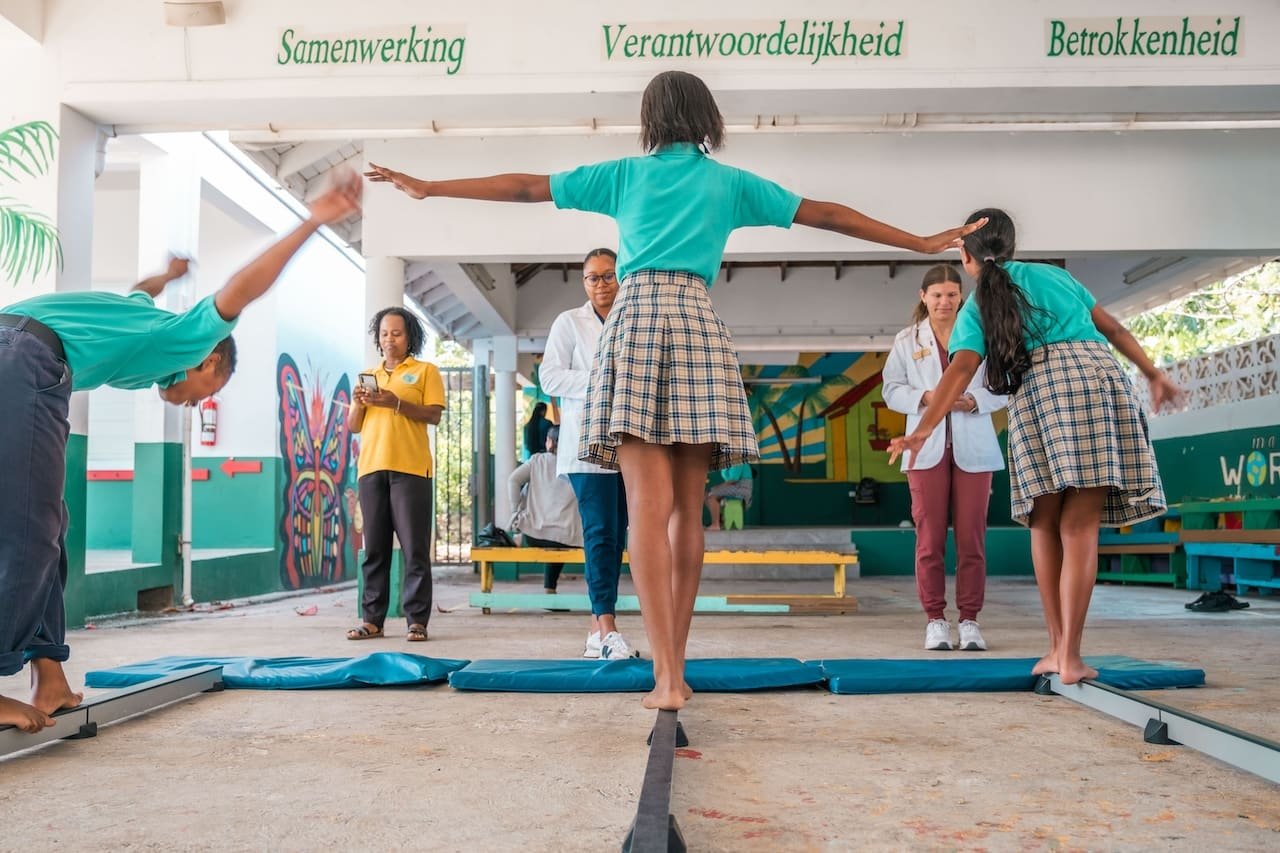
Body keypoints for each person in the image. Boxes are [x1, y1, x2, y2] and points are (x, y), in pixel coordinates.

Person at [366, 70, 983, 710]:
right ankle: (676, 668)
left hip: (634, 326)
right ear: (705, 117)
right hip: (696, 323)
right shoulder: (728, 182)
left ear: (650, 118)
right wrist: (917, 241)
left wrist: (430, 186)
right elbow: (822, 212)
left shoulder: (625, 175)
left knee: (646, 511)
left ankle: (664, 676)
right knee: (689, 510)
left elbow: (525, 185)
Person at [0, 173, 361, 733]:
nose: (192, 406)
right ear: (211, 363)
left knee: (48, 526)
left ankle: (51, 679)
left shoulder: (144, 318)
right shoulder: (190, 338)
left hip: (14, 351)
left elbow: (140, 289)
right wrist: (313, 220)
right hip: (26, 363)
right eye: (206, 395)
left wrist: (166, 275)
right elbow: (242, 289)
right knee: (28, 530)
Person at [889, 209, 1181, 684]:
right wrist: (1153, 374)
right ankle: (1070, 655)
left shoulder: (979, 302)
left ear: (965, 254)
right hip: (1099, 379)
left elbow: (960, 370)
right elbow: (1113, 329)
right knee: (1080, 526)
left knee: (1044, 522)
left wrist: (922, 429)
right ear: (1011, 246)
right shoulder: (1055, 276)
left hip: (1043, 390)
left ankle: (1055, 649)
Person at [883, 265, 1008, 652]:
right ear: (924, 297)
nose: (944, 302)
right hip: (926, 452)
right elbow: (891, 389)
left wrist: (973, 400)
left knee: (972, 540)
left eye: (952, 294)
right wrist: (926, 399)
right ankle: (935, 620)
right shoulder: (907, 340)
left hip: (975, 448)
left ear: (962, 297)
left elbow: (1003, 387)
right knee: (930, 540)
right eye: (936, 295)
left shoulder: (982, 337)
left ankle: (969, 621)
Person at [540, 248, 635, 660]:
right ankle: (607, 624)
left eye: (609, 276)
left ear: (622, 278)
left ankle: (598, 630)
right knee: (598, 533)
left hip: (631, 443)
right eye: (593, 278)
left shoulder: (635, 317)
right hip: (585, 447)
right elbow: (550, 377)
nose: (601, 284)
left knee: (616, 538)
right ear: (584, 283)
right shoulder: (568, 322)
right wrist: (601, 377)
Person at [346, 307, 445, 642]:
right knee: (374, 549)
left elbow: (434, 415)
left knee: (415, 548)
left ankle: (417, 620)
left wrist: (395, 403)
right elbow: (353, 426)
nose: (389, 339)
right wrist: (361, 403)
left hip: (411, 470)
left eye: (397, 333)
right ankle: (372, 619)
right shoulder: (366, 375)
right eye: (384, 333)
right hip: (371, 468)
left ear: (410, 337)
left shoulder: (425, 371)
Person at [507, 427, 585, 596]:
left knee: (549, 535)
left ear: (550, 442)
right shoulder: (577, 464)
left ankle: (549, 589)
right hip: (568, 537)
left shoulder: (537, 461)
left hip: (535, 534)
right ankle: (550, 588)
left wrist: (515, 511)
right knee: (558, 538)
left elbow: (513, 480)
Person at [704, 463, 753, 531]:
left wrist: (718, 487)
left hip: (741, 488)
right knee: (706, 494)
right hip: (732, 487)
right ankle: (720, 520)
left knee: (711, 497)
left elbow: (733, 480)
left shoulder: (738, 460)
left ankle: (715, 524)